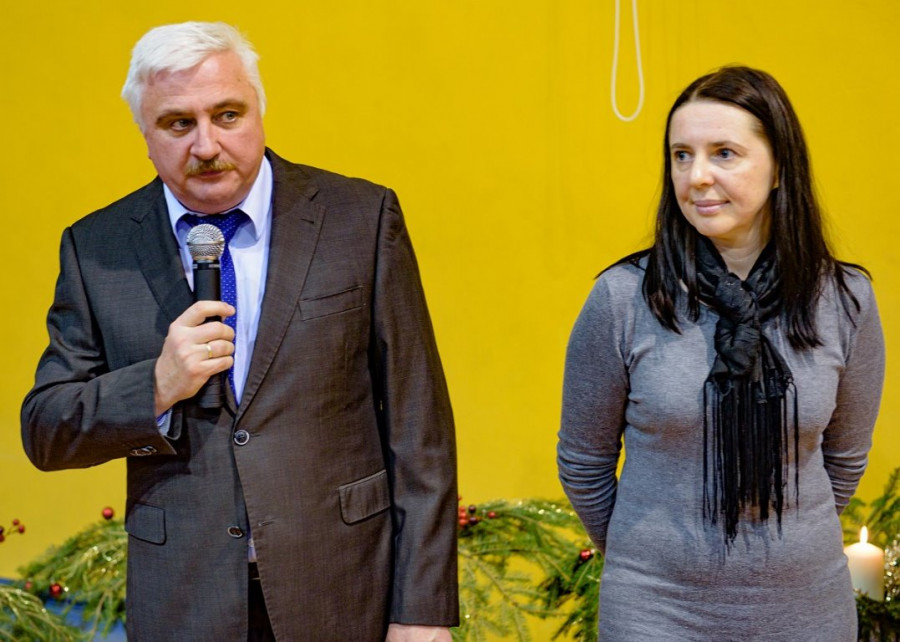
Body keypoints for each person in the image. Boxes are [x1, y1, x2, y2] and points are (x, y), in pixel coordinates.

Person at [21, 21, 458, 642]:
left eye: (227, 115)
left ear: (259, 110)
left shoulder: (358, 219)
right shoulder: (97, 248)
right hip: (184, 601)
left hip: (341, 588)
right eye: (178, 123)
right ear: (145, 135)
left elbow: (420, 428)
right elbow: (46, 429)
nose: (206, 144)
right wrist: (156, 386)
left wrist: (422, 611)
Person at [558, 66, 884, 640]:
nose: (697, 176)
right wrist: (647, 559)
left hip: (806, 609)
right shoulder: (622, 296)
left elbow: (846, 457)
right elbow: (584, 461)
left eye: (724, 153)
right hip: (655, 612)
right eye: (681, 156)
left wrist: (782, 553)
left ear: (779, 167)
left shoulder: (845, 299)